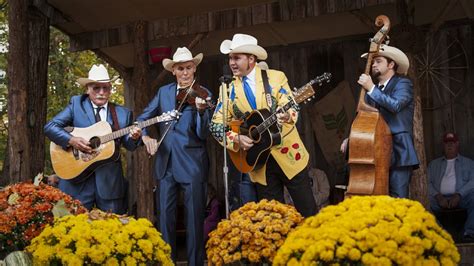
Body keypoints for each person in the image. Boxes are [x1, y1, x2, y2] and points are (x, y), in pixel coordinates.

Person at [210, 33, 317, 217]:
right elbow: (215, 125)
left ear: (251, 59)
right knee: (273, 220)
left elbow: (291, 106)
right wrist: (237, 139)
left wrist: (287, 116)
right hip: (259, 162)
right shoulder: (227, 89)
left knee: (308, 212)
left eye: (237, 58)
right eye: (230, 58)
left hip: (289, 155)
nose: (232, 63)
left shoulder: (276, 78)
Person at [136, 47, 211, 265]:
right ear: (173, 71)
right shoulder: (163, 93)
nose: (185, 73)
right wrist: (146, 137)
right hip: (165, 163)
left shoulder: (204, 93)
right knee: (165, 220)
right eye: (181, 69)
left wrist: (201, 111)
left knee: (194, 220)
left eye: (189, 68)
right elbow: (142, 118)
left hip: (192, 165)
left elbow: (203, 134)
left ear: (194, 68)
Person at [44, 64, 141, 214]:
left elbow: (129, 145)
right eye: (96, 88)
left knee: (112, 231)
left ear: (110, 89)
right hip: (77, 182)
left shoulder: (123, 114)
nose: (101, 93)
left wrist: (134, 137)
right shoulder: (76, 105)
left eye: (105, 88)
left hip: (110, 183)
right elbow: (50, 127)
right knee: (72, 230)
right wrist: (71, 140)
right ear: (87, 89)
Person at [342, 44, 419, 198]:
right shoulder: (372, 90)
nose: (373, 65)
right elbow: (365, 119)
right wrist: (351, 138)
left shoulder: (403, 83)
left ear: (391, 65)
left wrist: (370, 88)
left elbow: (395, 105)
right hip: (375, 150)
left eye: (378, 61)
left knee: (398, 198)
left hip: (399, 150)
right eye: (373, 62)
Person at [428, 132, 474, 239]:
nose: (449, 145)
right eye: (447, 143)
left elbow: (473, 181)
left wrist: (459, 195)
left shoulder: (469, 163)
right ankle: (438, 232)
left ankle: (469, 232)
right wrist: (438, 196)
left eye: (452, 143)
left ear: (457, 144)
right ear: (443, 145)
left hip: (462, 198)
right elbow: (427, 182)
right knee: (422, 201)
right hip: (438, 199)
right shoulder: (433, 164)